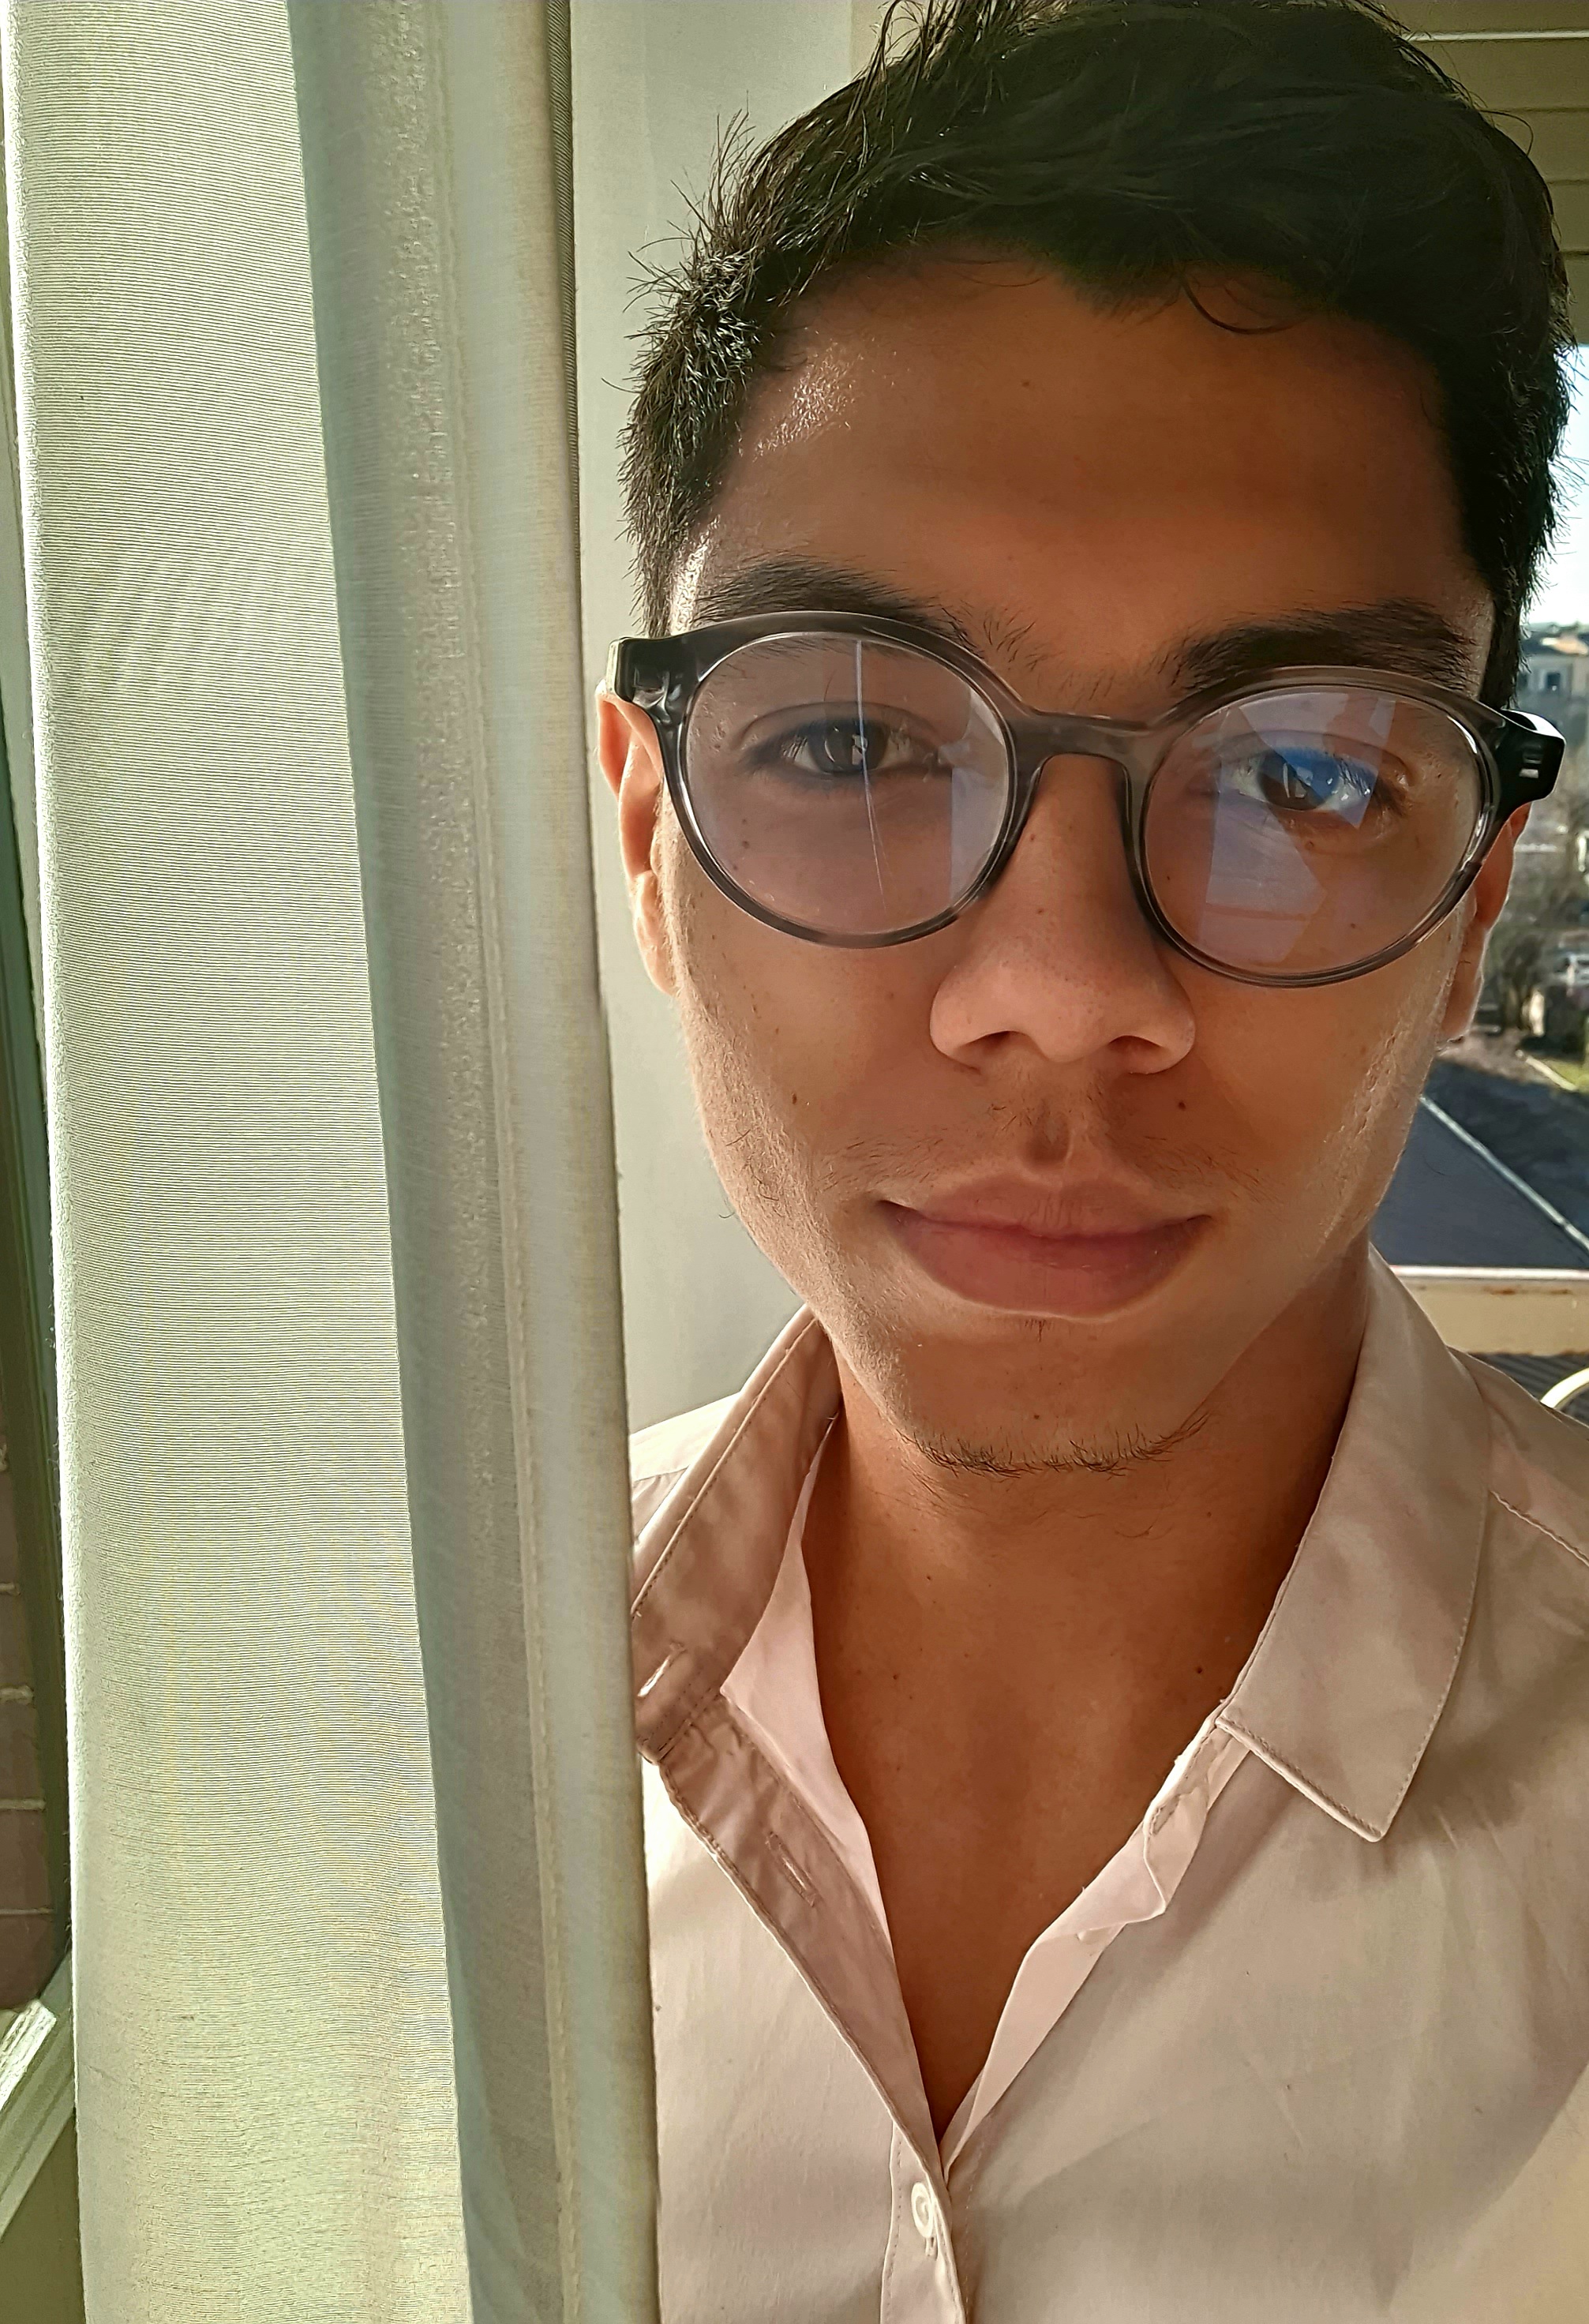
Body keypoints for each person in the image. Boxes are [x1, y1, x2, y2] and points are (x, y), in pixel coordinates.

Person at [596, 3, 1589, 2315]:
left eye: (1306, 775)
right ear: (649, 838)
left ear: (1473, 903)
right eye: (851, 742)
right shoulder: (370, 1755)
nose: (1060, 985)